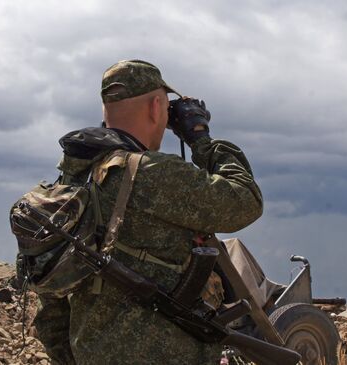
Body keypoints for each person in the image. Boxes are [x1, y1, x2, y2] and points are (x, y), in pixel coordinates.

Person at [33, 59, 263, 365]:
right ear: (156, 107)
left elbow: (52, 296)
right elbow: (245, 201)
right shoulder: (152, 173)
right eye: (167, 107)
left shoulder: (74, 178)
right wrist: (200, 139)